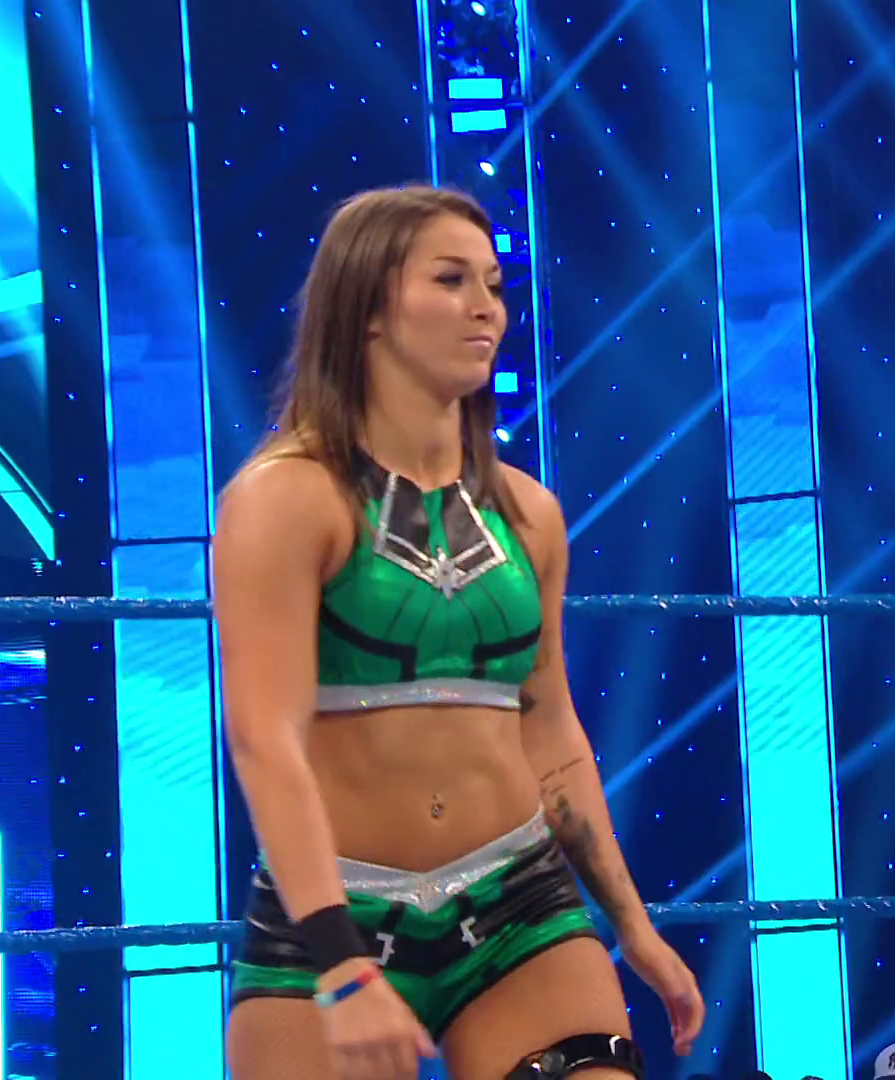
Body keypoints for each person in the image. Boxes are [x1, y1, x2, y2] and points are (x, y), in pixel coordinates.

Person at [216, 185, 704, 1080]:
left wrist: (634, 927)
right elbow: (263, 738)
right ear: (368, 308)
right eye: (450, 280)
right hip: (334, 912)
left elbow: (550, 728)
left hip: (518, 903)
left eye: (493, 284)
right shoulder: (285, 497)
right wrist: (341, 966)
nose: (487, 307)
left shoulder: (530, 515)